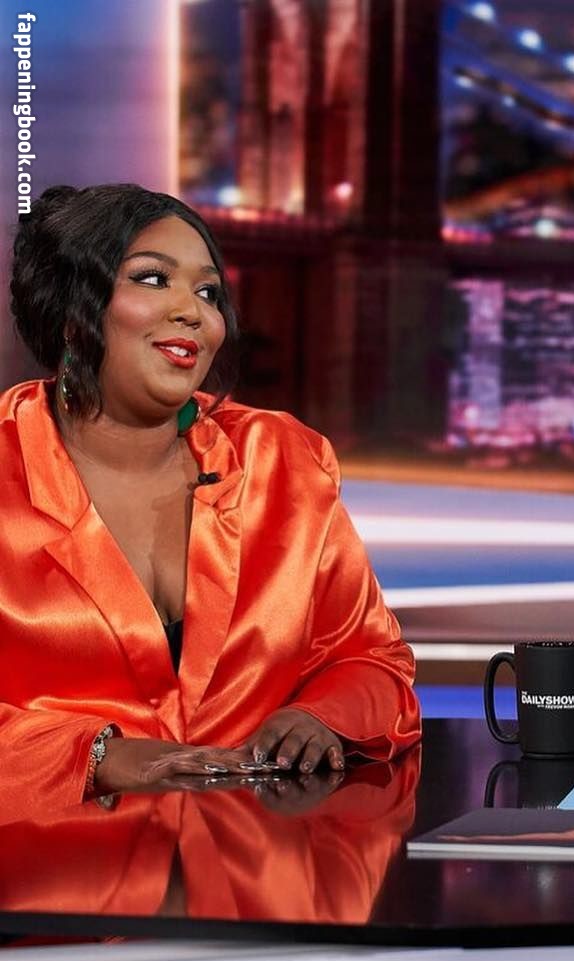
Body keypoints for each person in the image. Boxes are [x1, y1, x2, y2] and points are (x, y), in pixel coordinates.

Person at [2, 183, 420, 821]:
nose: (193, 312)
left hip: (255, 858)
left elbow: (370, 658)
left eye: (208, 293)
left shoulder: (284, 459)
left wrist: (321, 716)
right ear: (68, 307)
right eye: (152, 279)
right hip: (55, 866)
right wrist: (97, 757)